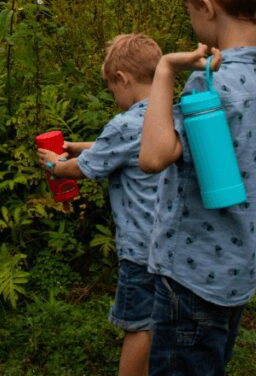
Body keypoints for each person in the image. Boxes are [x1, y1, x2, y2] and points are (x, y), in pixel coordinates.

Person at [139, 0, 256, 376]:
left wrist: (165, 70)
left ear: (206, 6)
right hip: (237, 273)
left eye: (190, 10)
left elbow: (152, 157)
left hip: (191, 278)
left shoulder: (209, 87)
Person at [38, 33, 164, 376]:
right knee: (159, 319)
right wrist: (76, 144)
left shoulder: (123, 125)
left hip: (139, 249)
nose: (115, 98)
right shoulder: (167, 114)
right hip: (170, 243)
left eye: (113, 91)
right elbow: (117, 148)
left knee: (138, 325)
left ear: (122, 79)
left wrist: (55, 164)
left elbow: (82, 170)